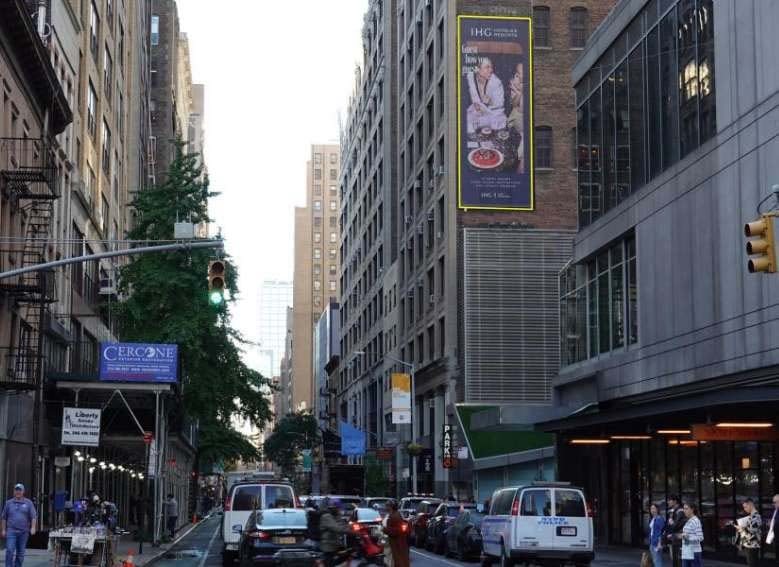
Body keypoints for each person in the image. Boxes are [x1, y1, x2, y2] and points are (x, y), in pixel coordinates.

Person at [466, 57, 507, 134]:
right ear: (477, 69)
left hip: (494, 115)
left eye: (491, 67)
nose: (491, 70)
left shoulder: (496, 82)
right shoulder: (470, 77)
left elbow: (500, 104)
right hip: (477, 113)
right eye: (487, 67)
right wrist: (476, 106)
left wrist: (490, 102)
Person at [1, 483, 37, 567]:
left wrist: (33, 527)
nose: (18, 492)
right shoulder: (8, 503)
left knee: (20, 554)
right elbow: (4, 517)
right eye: (16, 490)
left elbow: (33, 517)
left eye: (19, 490)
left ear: (23, 491)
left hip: (24, 532)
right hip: (11, 531)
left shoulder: (28, 503)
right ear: (14, 491)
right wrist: (3, 529)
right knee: (9, 550)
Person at [319, 498, 351, 566]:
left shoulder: (336, 516)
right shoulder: (326, 517)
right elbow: (337, 528)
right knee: (330, 564)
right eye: (338, 508)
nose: (339, 510)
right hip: (328, 546)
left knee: (348, 554)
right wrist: (351, 530)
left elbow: (343, 525)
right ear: (334, 508)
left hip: (335, 545)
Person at [736, 498, 762, 567]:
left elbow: (751, 535)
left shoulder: (755, 517)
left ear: (750, 504)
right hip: (751, 545)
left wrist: (741, 529)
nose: (744, 509)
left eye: (745, 507)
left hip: (752, 546)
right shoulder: (752, 516)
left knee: (752, 564)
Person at [383, 500, 410, 567]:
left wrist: (384, 530)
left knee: (397, 560)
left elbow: (394, 530)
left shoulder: (392, 516)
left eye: (386, 506)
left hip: (396, 542)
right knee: (400, 558)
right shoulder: (396, 514)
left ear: (391, 507)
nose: (385, 507)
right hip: (399, 541)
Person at [665, 495, 687, 567]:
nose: (668, 502)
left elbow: (676, 526)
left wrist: (672, 522)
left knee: (678, 560)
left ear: (675, 501)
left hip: (678, 540)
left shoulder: (680, 511)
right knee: (675, 560)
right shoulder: (674, 511)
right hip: (674, 539)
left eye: (669, 500)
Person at [681, 502, 703, 567]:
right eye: (684, 509)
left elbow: (700, 537)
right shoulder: (689, 520)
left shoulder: (696, 521)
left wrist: (688, 538)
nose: (684, 511)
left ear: (692, 509)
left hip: (694, 552)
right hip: (686, 551)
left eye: (686, 509)